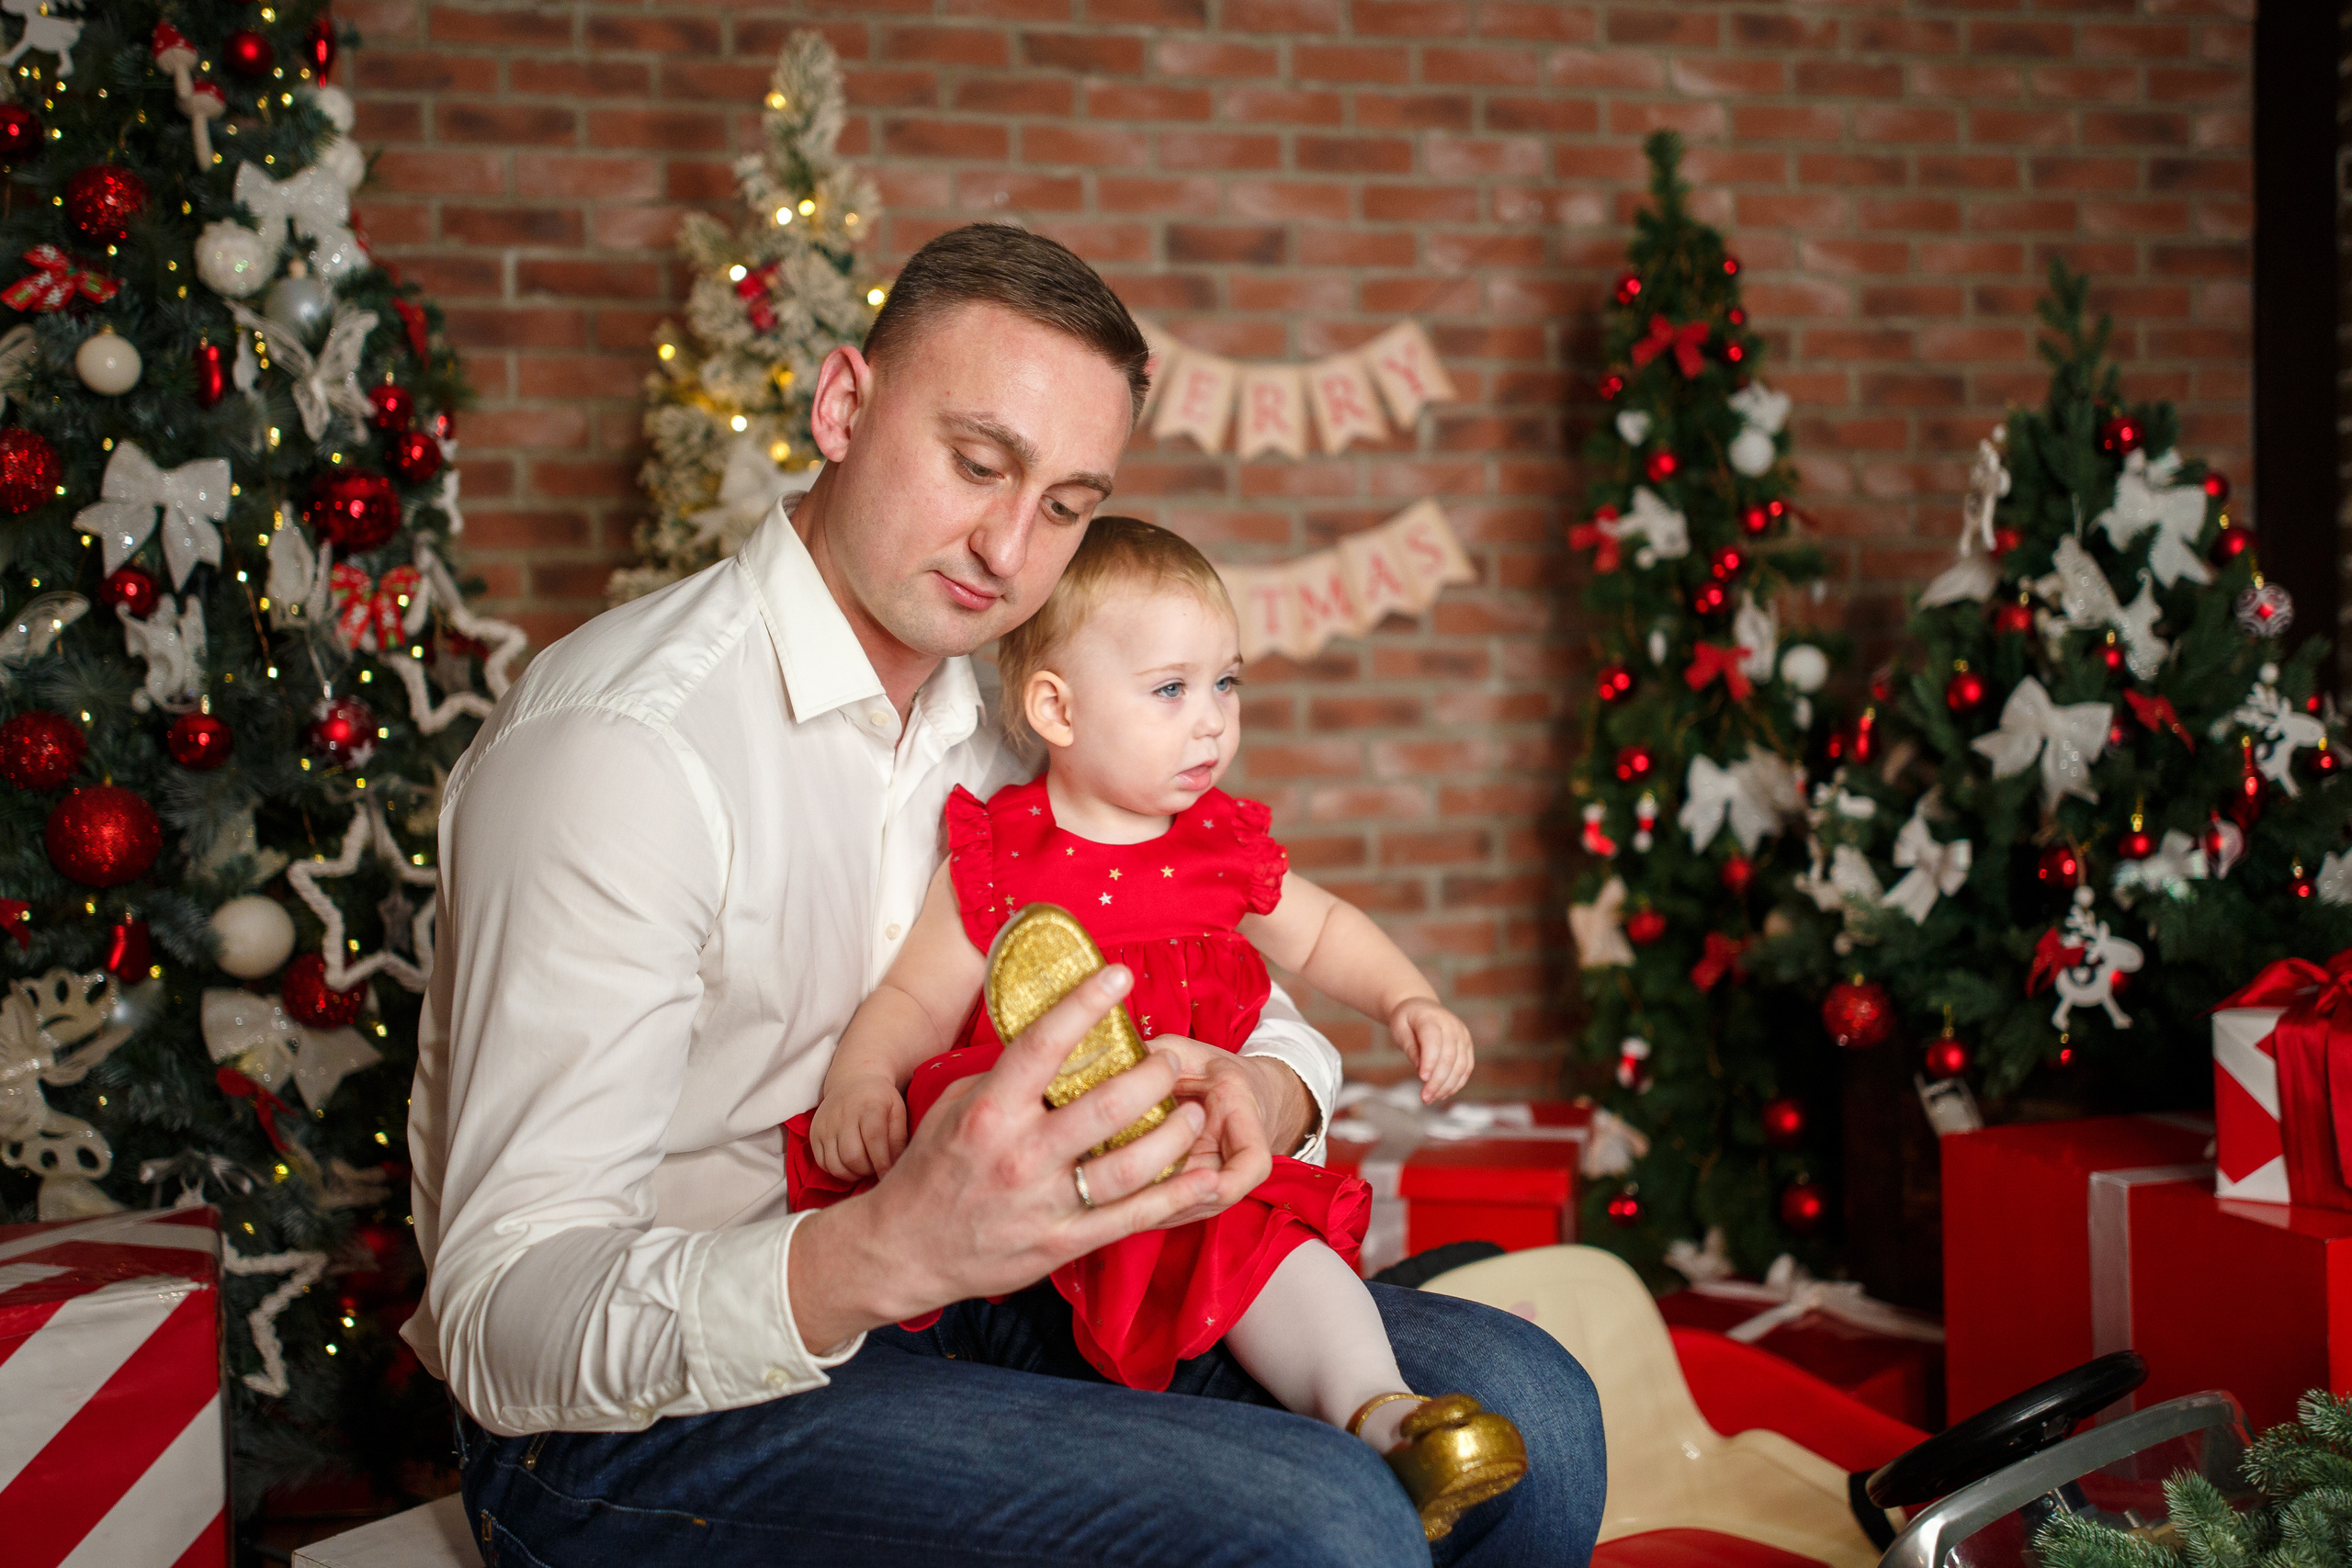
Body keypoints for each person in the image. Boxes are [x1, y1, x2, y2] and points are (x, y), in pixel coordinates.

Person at [404, 221, 1606, 1565]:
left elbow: (1232, 965)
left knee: (1538, 1414)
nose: (1006, 544)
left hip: (1000, 1282)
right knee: (1322, 1523)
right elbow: (501, 1313)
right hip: (658, 1407)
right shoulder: (625, 752)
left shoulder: (1021, 722)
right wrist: (885, 1251)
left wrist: (1269, 1090)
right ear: (845, 405)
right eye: (977, 462)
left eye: (1068, 503)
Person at [786, 517, 1522, 1538]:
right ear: (1057, 707)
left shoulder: (1218, 846)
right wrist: (864, 1082)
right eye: (1170, 690)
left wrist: (1407, 999)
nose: (1212, 723)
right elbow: (912, 1000)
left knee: (1278, 1253)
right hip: (1037, 1187)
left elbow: (1322, 932)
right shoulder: (1002, 856)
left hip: (1191, 1154)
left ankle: (1383, 1411)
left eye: (1226, 684)